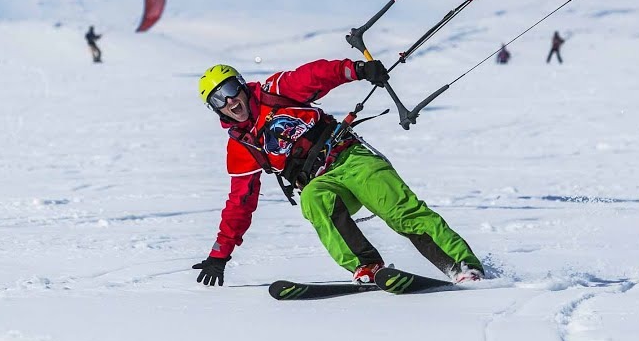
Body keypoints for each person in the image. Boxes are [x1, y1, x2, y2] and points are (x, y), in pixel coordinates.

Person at [190, 60, 483, 288]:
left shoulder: (275, 91)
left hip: (350, 159)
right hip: (322, 182)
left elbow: (315, 75)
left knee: (399, 210)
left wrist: (355, 70)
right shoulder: (242, 146)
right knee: (312, 199)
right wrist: (220, 254)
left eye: (229, 91)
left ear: (241, 86)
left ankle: (461, 266)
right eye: (218, 100)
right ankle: (367, 265)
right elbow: (240, 203)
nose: (229, 102)